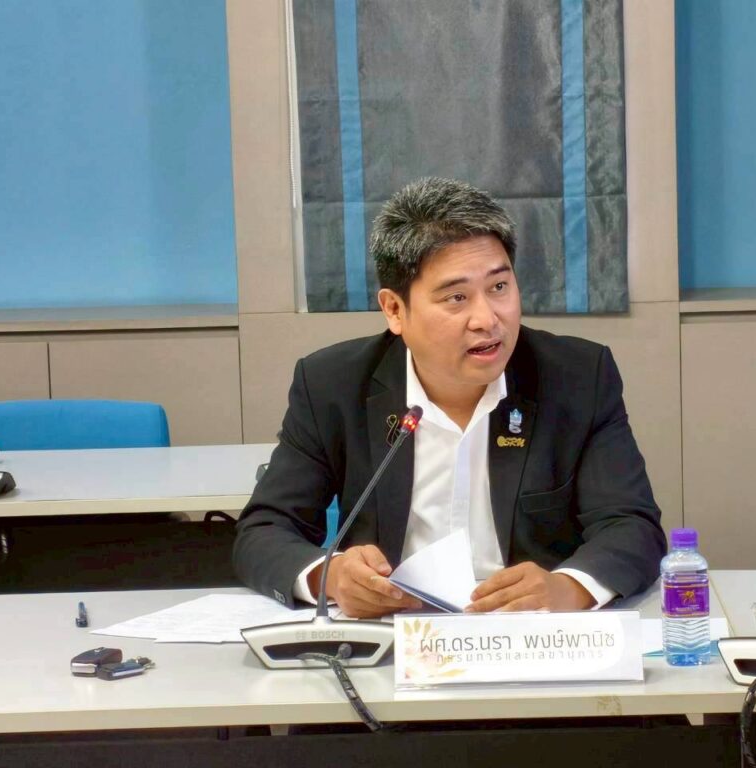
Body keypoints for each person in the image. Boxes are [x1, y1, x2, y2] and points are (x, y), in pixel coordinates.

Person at [233, 177, 665, 618]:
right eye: (457, 297)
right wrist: (330, 577)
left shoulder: (577, 377)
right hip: (394, 631)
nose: (487, 319)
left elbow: (631, 526)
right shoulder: (333, 385)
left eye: (499, 287)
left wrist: (566, 588)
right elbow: (264, 531)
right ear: (395, 310)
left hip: (528, 633)